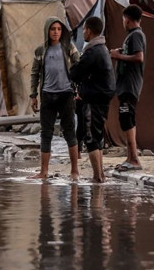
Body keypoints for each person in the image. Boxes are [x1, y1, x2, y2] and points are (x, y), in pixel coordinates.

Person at [29, 17, 81, 180]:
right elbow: (35, 73)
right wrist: (33, 95)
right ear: (47, 31)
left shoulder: (68, 48)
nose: (56, 32)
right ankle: (43, 171)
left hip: (66, 94)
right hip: (47, 95)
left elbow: (79, 66)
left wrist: (78, 88)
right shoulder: (40, 51)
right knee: (46, 133)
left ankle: (75, 171)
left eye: (59, 29)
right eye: (53, 29)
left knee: (69, 133)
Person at [70, 16, 116, 183]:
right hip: (102, 96)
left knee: (91, 138)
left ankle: (97, 176)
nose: (83, 33)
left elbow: (76, 72)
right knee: (97, 136)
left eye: (84, 30)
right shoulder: (102, 48)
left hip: (94, 98)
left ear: (88, 30)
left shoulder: (92, 51)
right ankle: (100, 175)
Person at [110, 4, 147, 171]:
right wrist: (120, 52)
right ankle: (130, 157)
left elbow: (139, 57)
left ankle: (134, 159)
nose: (123, 22)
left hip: (130, 85)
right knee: (125, 120)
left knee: (128, 119)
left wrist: (118, 56)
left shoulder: (136, 35)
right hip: (125, 85)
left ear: (128, 19)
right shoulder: (131, 36)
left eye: (124, 19)